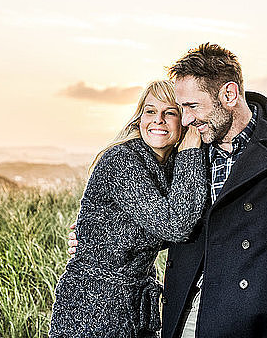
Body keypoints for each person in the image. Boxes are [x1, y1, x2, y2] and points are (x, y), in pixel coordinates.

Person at [69, 44, 267, 337]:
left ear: (229, 95)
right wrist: (98, 240)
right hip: (185, 313)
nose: (185, 120)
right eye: (181, 109)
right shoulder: (187, 150)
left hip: (260, 320)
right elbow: (163, 217)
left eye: (193, 107)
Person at [49, 80, 208, 338]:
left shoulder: (170, 167)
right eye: (150, 111)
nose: (158, 120)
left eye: (170, 112)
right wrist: (191, 150)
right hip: (92, 307)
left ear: (184, 121)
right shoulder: (122, 161)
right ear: (139, 119)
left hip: (135, 306)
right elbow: (176, 225)